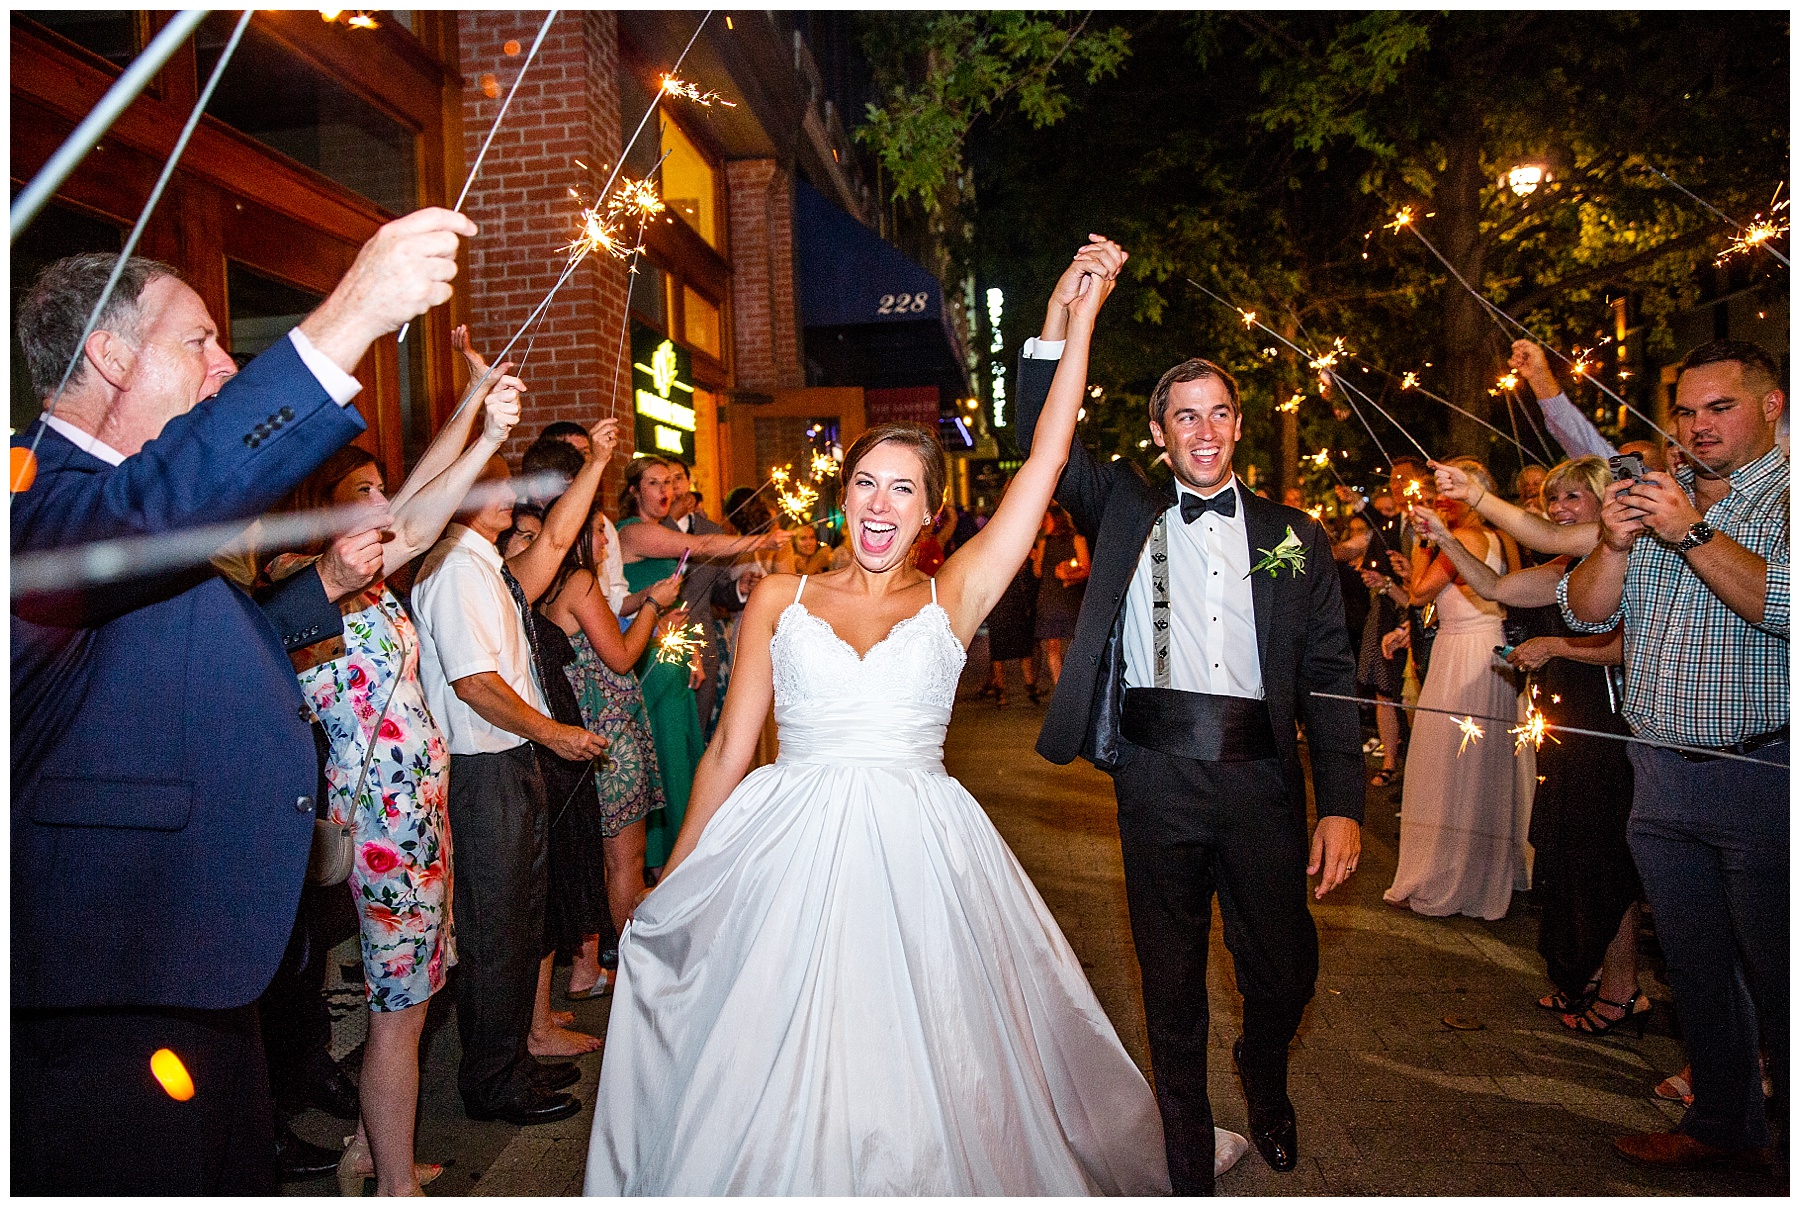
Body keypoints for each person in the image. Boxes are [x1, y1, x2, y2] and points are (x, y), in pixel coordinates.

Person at [586, 235, 1216, 1196]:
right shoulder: (778, 600)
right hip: (786, 849)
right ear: (845, 501)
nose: (882, 505)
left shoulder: (952, 596)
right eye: (865, 485)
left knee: (926, 1066)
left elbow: (1049, 454)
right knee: (774, 1062)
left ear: (929, 514)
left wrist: (1077, 320)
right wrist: (673, 874)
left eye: (904, 490)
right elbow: (722, 753)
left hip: (923, 856)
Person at [11, 209, 472, 1195]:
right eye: (200, 339)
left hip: (203, 964)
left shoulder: (131, 516)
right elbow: (163, 505)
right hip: (111, 979)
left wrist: (323, 592)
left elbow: (179, 646)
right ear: (108, 355)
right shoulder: (33, 497)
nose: (224, 363)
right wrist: (350, 313)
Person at [1016, 237, 1363, 1190]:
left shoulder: (1296, 536)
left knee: (1284, 964)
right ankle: (1185, 1161)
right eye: (1184, 418)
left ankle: (1264, 1063)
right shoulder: (1121, 505)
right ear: (1161, 433)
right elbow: (1034, 431)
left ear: (1237, 424)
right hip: (1155, 774)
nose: (1203, 433)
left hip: (1261, 777)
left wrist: (1343, 801)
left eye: (1217, 414)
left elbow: (1330, 672)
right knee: (1169, 984)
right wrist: (1064, 310)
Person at [267, 362, 521, 1194]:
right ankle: (394, 1184)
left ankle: (377, 1154)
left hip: (418, 816)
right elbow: (414, 510)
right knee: (398, 1013)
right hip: (381, 830)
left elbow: (416, 507)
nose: (385, 504)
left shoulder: (365, 580)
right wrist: (473, 427)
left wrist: (481, 429)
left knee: (408, 1005)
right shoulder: (303, 592)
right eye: (365, 490)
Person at [1563, 340, 1788, 1172]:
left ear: (1771, 405)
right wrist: (1614, 544)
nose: (1698, 427)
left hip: (1761, 773)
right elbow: (1586, 615)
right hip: (1656, 773)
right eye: (1687, 413)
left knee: (1781, 972)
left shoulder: (1787, 496)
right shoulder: (1660, 499)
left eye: (1719, 408)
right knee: (1694, 967)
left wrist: (1690, 532)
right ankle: (1723, 1125)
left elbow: (1784, 603)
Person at [409, 426, 615, 1126]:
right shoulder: (453, 569)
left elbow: (555, 543)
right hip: (481, 770)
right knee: (495, 931)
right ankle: (492, 1083)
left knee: (520, 922)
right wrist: (554, 733)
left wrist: (597, 464)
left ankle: (514, 1062)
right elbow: (474, 684)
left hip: (509, 764)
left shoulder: (486, 562)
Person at [1414, 458, 1641, 1033]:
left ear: (1602, 502)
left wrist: (1558, 648)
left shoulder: (1636, 556)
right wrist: (1444, 538)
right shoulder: (1569, 568)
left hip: (1612, 724)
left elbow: (1630, 646)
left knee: (1606, 860)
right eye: (1553, 499)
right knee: (1568, 849)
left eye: (1571, 498)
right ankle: (1584, 973)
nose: (1559, 510)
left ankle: (1622, 987)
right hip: (1565, 719)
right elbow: (1493, 586)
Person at [531, 489, 683, 989]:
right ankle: (635, 963)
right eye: (597, 530)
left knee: (592, 854)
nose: (606, 538)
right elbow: (620, 656)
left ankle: (586, 966)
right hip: (608, 739)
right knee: (625, 860)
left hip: (587, 729)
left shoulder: (549, 584)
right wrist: (654, 608)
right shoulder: (578, 581)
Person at [616, 456, 788, 874]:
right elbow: (702, 548)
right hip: (646, 663)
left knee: (684, 759)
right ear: (635, 491)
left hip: (677, 656)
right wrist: (760, 541)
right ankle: (660, 863)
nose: (664, 491)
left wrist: (692, 651)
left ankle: (683, 862)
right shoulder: (634, 533)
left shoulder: (661, 530)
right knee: (663, 760)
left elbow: (691, 597)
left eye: (668, 483)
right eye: (653, 483)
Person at [1382, 458, 1524, 921]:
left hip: (1460, 651)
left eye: (1450, 490)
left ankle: (1448, 873)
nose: (1442, 498)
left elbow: (1422, 593)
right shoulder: (1504, 539)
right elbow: (1509, 592)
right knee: (1489, 762)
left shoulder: (1458, 539)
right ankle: (1492, 871)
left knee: (1449, 759)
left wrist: (1426, 544)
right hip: (1495, 648)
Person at [1031, 501, 1089, 683]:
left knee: (1070, 643)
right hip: (1049, 597)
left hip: (1067, 598)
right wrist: (1037, 559)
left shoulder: (1077, 539)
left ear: (1057, 519)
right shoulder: (1044, 542)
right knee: (1052, 644)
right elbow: (1038, 572)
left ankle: (1072, 684)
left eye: (1046, 519)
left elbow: (1086, 568)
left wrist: (1069, 574)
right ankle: (1059, 686)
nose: (1043, 523)